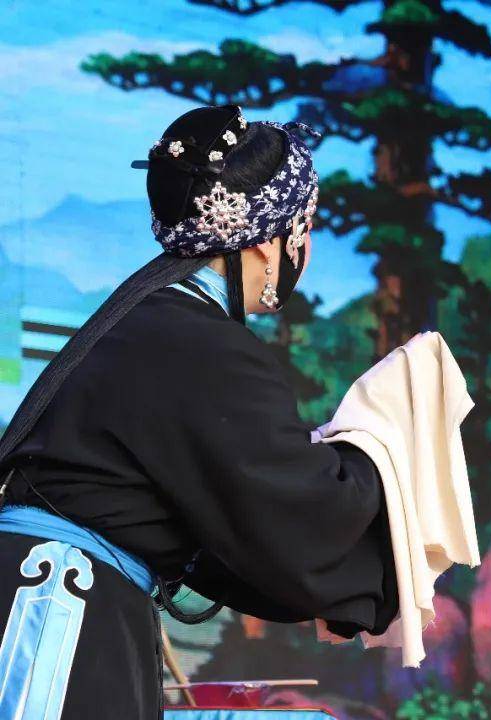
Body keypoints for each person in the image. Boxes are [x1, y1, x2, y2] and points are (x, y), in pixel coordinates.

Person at [0, 105, 397, 718]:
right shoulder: (202, 346)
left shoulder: (148, 318)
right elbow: (300, 513)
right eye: (305, 227)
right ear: (268, 242)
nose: (307, 247)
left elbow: (231, 515)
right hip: (54, 616)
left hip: (53, 596)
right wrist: (383, 443)